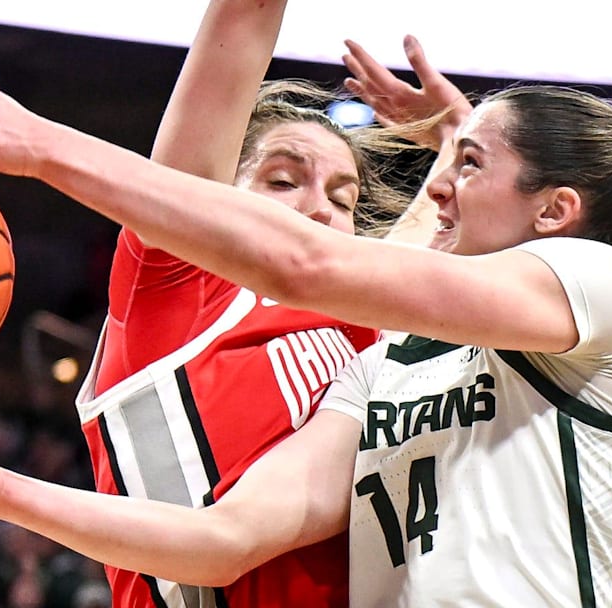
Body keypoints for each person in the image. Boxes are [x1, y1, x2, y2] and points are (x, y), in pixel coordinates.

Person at [0, 30, 612, 608]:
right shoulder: (377, 361)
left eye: (467, 169)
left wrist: (41, 145)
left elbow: (319, 260)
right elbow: (231, 538)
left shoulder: (598, 284)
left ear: (552, 209)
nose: (438, 191)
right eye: (280, 179)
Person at [70, 1, 413, 607]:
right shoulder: (178, 279)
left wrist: (456, 132)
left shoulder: (367, 328)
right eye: (283, 181)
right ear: (217, 198)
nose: (318, 209)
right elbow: (242, 19)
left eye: (345, 198)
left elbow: (444, 220)